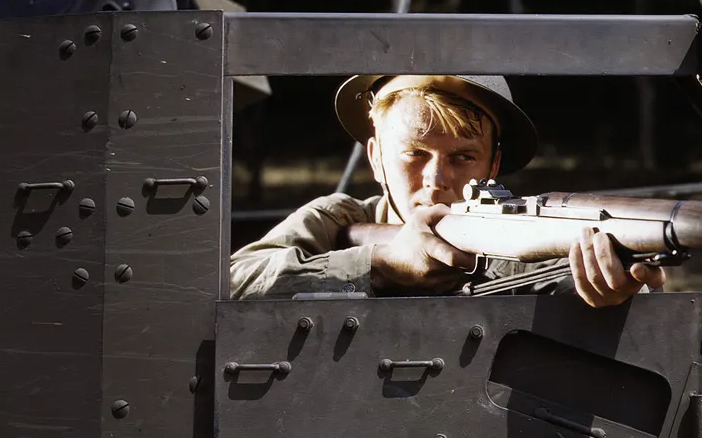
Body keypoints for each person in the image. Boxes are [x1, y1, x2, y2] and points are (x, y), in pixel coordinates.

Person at [230, 74, 666, 306]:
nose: (436, 179)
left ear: (493, 166)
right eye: (415, 154)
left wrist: (620, 292)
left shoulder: (524, 238)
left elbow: (585, 291)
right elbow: (231, 284)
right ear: (377, 158)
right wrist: (379, 266)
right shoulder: (340, 219)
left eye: (463, 157)